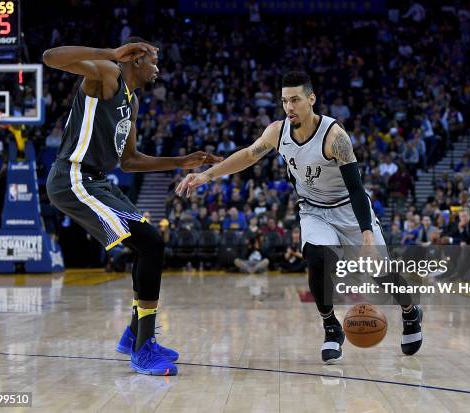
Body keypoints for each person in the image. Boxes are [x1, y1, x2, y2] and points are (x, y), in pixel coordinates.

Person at [177, 71, 423, 363]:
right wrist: (206, 176)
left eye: (295, 100)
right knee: (318, 259)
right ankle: (331, 326)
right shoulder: (276, 132)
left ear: (311, 99)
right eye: (284, 101)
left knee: (383, 274)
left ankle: (410, 313)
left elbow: (356, 189)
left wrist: (367, 232)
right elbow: (247, 155)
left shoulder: (335, 137)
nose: (289, 107)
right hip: (313, 209)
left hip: (348, 208)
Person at [42, 38, 221, 375]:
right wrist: (109, 53)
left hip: (97, 180)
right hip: (72, 178)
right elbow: (50, 57)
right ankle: (143, 348)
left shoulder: (132, 102)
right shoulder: (107, 74)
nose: (158, 68)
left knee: (148, 246)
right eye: (154, 60)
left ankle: (133, 337)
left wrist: (181, 161)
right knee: (151, 242)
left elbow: (129, 161)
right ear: (135, 59)